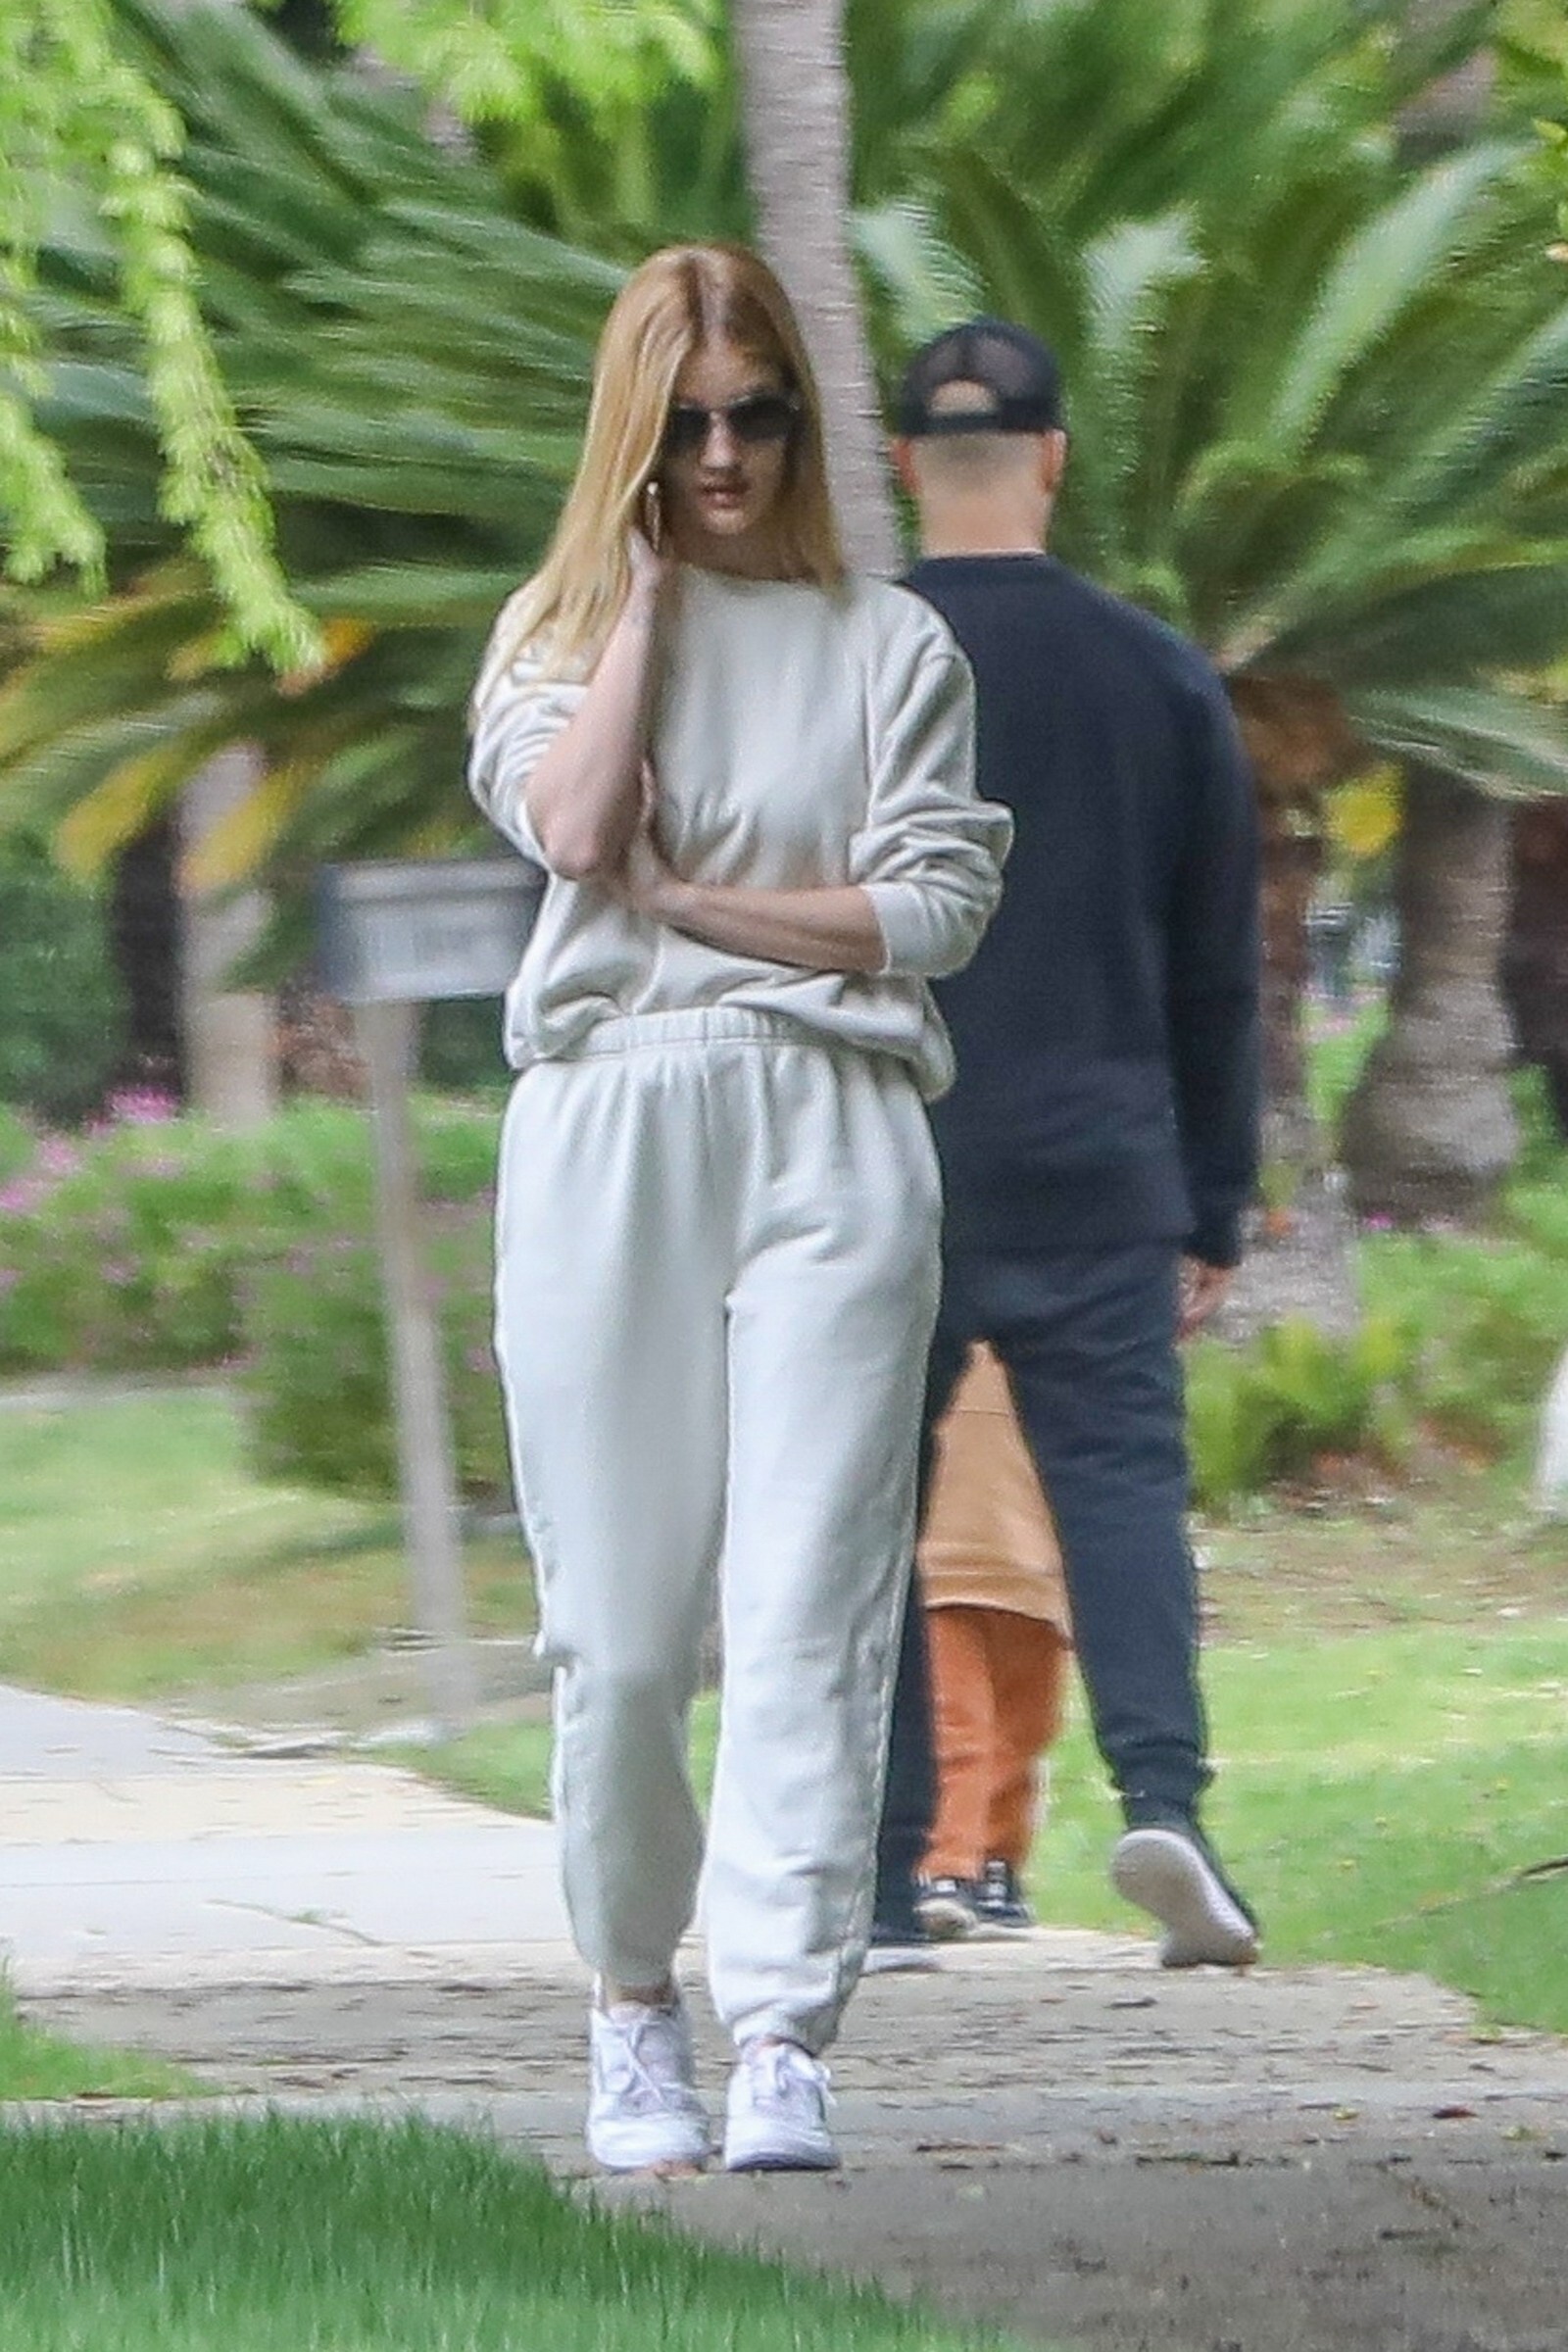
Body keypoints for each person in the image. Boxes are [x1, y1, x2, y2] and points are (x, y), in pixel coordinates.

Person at [467, 247, 1009, 2176]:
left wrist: (700, 910)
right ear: (632, 434)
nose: (721, 453)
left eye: (756, 414)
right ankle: (633, 2001)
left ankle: (780, 2024)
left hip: (833, 1127)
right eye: (684, 421)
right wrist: (643, 601)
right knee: (616, 1633)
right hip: (609, 1119)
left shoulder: (890, 647)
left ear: (803, 421)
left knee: (804, 1599)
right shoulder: (551, 637)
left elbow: (932, 910)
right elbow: (575, 829)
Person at [872, 318, 1262, 1972]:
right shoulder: (1156, 673)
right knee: (1117, 1490)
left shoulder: (851, 660)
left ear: (905, 462)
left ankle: (886, 1870)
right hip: (1100, 1161)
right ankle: (1164, 1801)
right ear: (1053, 458)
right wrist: (1215, 1203)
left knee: (866, 1508)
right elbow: (1217, 964)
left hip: (886, 1156)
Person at [914, 1343, 1072, 1943]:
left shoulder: (1059, 1347)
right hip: (942, 1571)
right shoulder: (932, 1340)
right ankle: (946, 1864)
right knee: (955, 1729)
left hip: (1036, 1577)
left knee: (1023, 1733)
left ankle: (997, 1862)